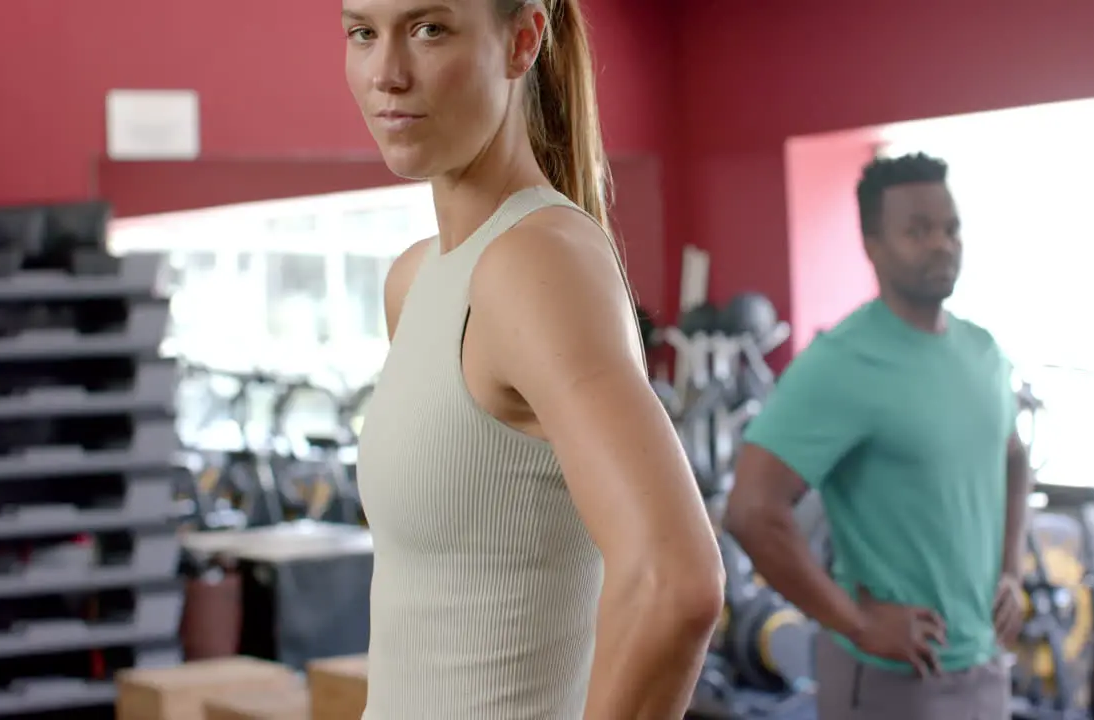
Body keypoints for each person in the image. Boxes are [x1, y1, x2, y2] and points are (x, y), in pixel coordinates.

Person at [340, 0, 725, 718]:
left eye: (429, 29)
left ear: (522, 43)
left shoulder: (535, 260)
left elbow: (674, 581)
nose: (386, 74)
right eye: (363, 32)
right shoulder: (418, 278)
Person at [723, 153, 1033, 719]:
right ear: (872, 245)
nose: (942, 243)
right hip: (892, 679)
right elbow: (750, 509)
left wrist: (1011, 570)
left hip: (986, 667)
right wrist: (858, 622)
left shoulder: (984, 352)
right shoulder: (839, 363)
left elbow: (1013, 458)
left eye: (951, 227)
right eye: (917, 231)